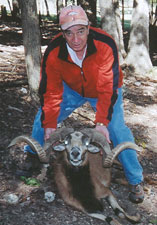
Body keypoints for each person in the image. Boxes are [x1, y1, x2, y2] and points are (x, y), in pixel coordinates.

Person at [17, 5, 144, 203]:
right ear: (63, 33)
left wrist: (102, 123)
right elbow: (50, 90)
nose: (76, 39)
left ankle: (135, 179)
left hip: (106, 90)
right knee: (43, 119)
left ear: (88, 27)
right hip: (73, 89)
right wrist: (50, 123)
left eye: (80, 31)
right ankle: (33, 155)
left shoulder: (104, 43)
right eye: (69, 33)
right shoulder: (54, 50)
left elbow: (106, 88)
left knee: (117, 129)